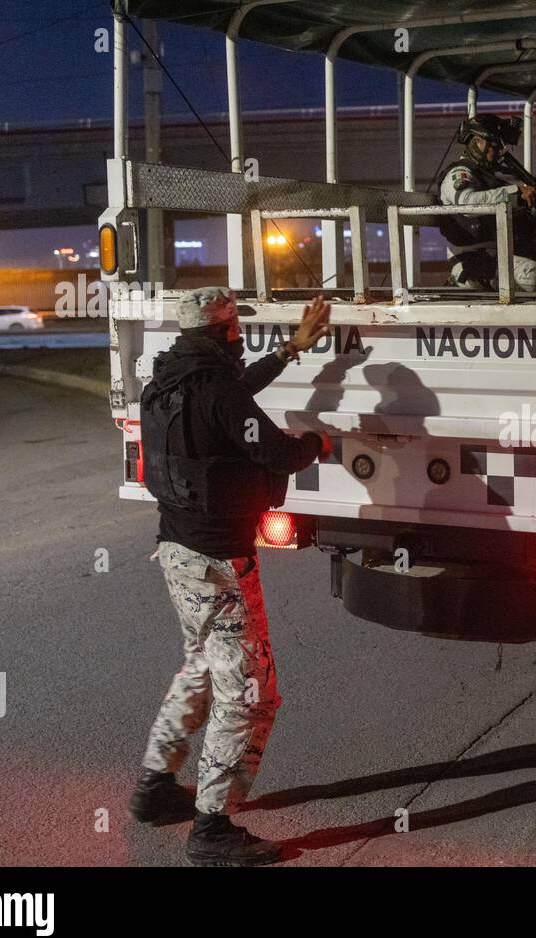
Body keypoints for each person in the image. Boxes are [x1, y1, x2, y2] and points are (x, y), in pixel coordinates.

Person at [129, 287, 333, 866]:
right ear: (226, 333)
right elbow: (275, 453)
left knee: (200, 664)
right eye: (236, 328)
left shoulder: (166, 383)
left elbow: (229, 402)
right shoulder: (216, 387)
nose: (240, 337)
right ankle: (212, 828)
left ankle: (156, 787)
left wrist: (291, 349)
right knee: (250, 694)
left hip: (176, 551)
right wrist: (315, 443)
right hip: (219, 561)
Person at [436, 113, 536, 292]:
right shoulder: (460, 173)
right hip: (471, 259)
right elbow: (466, 203)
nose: (500, 151)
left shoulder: (489, 178)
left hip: (500, 253)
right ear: (477, 142)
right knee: (531, 273)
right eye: (495, 144)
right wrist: (516, 193)